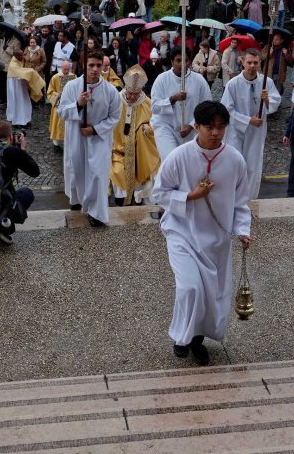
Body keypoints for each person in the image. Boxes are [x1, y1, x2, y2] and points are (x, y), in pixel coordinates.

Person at [151, 100, 252, 366]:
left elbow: (241, 202)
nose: (216, 132)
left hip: (216, 238)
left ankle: (197, 340)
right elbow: (159, 193)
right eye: (209, 127)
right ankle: (181, 337)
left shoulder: (234, 160)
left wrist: (242, 230)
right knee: (190, 287)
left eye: (221, 127)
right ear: (196, 126)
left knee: (211, 294)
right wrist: (190, 196)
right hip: (182, 232)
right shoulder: (179, 156)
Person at [57, 50, 120, 226]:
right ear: (85, 65)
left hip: (99, 139)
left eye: (98, 66)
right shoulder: (72, 86)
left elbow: (115, 116)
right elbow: (62, 112)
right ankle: (77, 201)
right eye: (91, 65)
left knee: (98, 175)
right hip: (77, 136)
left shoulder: (110, 91)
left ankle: (97, 213)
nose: (94, 69)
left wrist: (95, 129)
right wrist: (78, 104)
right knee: (77, 169)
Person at [221, 48, 282, 198]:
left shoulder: (266, 82)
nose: (252, 66)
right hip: (236, 131)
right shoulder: (233, 84)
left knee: (253, 165)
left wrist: (267, 100)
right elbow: (226, 109)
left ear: (260, 63)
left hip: (256, 131)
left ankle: (249, 199)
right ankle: (232, 197)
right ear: (242, 63)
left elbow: (276, 103)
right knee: (235, 164)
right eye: (249, 62)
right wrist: (248, 120)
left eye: (256, 63)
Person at [110, 65, 160, 206]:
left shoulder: (147, 103)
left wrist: (148, 128)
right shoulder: (116, 101)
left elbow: (157, 123)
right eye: (130, 93)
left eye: (135, 94)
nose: (132, 97)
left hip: (140, 152)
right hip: (118, 150)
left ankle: (139, 201)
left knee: (143, 179)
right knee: (118, 174)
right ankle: (121, 203)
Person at [151, 49, 212, 161]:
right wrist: (173, 99)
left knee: (190, 162)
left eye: (185, 60)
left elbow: (207, 107)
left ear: (189, 62)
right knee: (170, 160)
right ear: (172, 62)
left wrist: (192, 125)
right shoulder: (161, 79)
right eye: (178, 60)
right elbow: (154, 107)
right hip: (166, 127)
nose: (182, 64)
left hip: (192, 129)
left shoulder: (199, 80)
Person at [6, 49, 44, 129]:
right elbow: (20, 72)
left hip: (20, 85)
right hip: (15, 86)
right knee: (17, 103)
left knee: (25, 101)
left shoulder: (19, 61)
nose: (22, 57)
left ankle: (25, 120)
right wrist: (31, 71)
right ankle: (17, 121)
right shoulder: (13, 64)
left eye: (22, 54)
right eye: (20, 55)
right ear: (15, 56)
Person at [46, 59, 75, 148]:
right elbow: (50, 92)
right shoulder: (55, 77)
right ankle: (56, 141)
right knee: (57, 122)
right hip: (58, 103)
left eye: (68, 69)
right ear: (61, 68)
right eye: (65, 69)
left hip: (70, 103)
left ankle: (69, 140)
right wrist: (58, 94)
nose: (66, 71)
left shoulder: (74, 77)